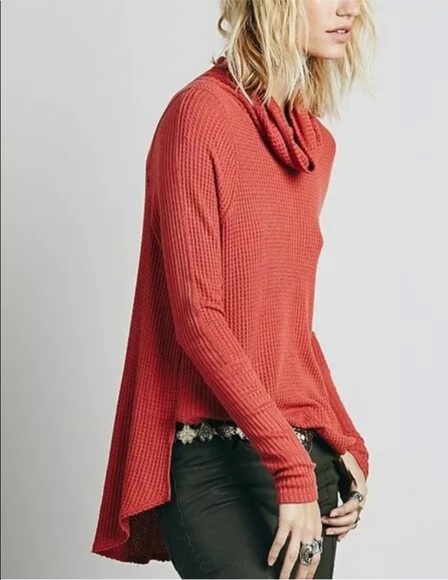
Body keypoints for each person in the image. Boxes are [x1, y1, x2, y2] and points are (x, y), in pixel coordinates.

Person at [91, 0, 376, 578]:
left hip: (305, 455)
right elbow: (198, 316)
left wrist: (344, 437)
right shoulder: (200, 115)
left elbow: (287, 323)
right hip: (214, 459)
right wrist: (290, 466)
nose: (350, 9)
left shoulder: (314, 145)